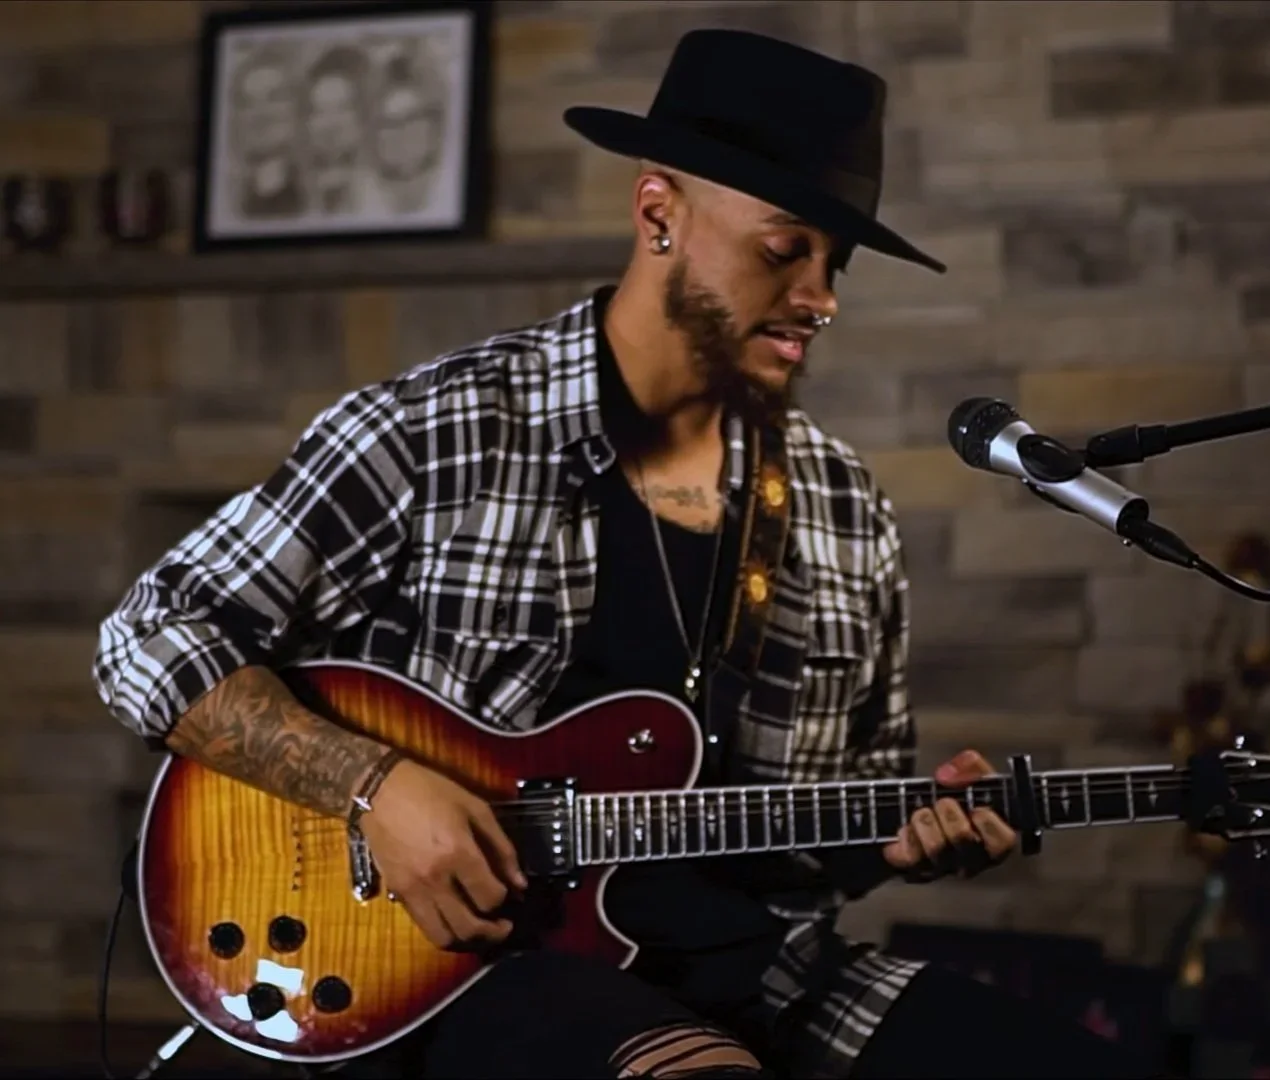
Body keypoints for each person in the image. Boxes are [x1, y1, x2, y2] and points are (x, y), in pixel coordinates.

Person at [94, 29, 1136, 1080]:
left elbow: (824, 830)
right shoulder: (439, 430)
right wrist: (376, 788)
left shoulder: (840, 504)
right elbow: (146, 637)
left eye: (837, 263)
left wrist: (917, 830)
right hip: (489, 968)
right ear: (657, 215)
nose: (824, 297)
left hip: (763, 972)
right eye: (786, 249)